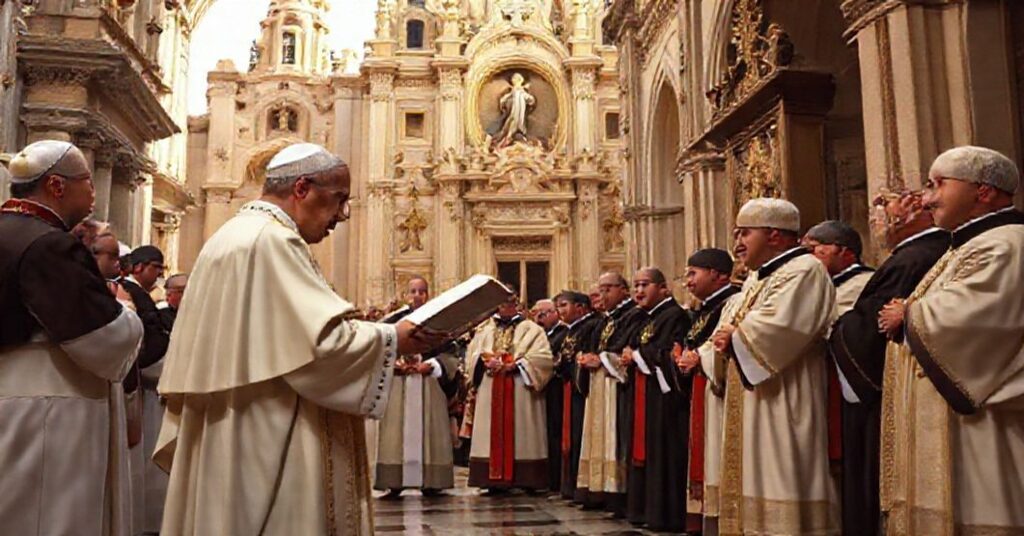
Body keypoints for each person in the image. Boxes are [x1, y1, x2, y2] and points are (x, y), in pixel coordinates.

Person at [154, 143, 446, 535]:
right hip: (271, 432)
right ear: (302, 188)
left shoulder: (232, 236)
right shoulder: (274, 242)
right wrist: (395, 337)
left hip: (232, 427)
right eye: (339, 199)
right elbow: (318, 348)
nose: (342, 215)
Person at [877, 146, 1024, 535]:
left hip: (989, 420)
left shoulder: (1005, 242)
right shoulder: (966, 245)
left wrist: (909, 314)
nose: (927, 198)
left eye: (938, 184)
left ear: (984, 191)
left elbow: (981, 318)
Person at [0, 140, 144, 535]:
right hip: (47, 411)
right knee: (48, 517)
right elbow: (103, 341)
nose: (93, 191)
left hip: (13, 400)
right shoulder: (48, 244)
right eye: (87, 182)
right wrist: (129, 313)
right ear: (57, 187)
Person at [710, 198, 838, 535]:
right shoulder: (756, 278)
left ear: (775, 236)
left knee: (783, 467)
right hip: (752, 391)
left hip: (788, 392)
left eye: (745, 233)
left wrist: (736, 336)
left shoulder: (805, 270)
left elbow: (783, 327)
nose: (737, 243)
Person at [827, 190, 949, 536]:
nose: (877, 211)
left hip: (903, 381)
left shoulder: (917, 257)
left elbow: (874, 322)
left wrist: (837, 330)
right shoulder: (912, 254)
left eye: (890, 202)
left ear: (920, 211)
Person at [673, 249, 741, 535]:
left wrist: (698, 357)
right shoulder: (704, 309)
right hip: (703, 390)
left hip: (723, 390)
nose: (687, 282)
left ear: (716, 273)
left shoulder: (732, 301)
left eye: (692, 273)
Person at [374, 276, 458, 499]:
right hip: (399, 384)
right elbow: (379, 347)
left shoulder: (439, 320)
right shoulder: (394, 322)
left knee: (430, 427)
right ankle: (394, 481)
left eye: (421, 291)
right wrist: (395, 364)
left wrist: (430, 365)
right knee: (396, 430)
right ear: (406, 294)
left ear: (428, 294)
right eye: (413, 291)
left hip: (427, 383)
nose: (417, 295)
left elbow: (451, 353)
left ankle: (432, 480)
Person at [621, 267, 690, 531]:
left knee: (663, 452)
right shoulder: (642, 317)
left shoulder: (674, 315)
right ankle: (644, 511)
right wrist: (630, 356)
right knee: (643, 451)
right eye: (635, 285)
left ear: (663, 288)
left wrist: (637, 356)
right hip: (642, 392)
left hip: (664, 399)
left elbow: (670, 353)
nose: (639, 291)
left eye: (645, 285)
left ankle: (666, 515)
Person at [466, 292, 554, 492]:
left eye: (510, 302)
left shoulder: (532, 329)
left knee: (522, 431)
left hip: (521, 388)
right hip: (490, 386)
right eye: (501, 302)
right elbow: (471, 357)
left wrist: (516, 364)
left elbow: (543, 359)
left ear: (518, 303)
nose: (506, 306)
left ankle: (526, 478)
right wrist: (484, 361)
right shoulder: (484, 330)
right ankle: (492, 479)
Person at [575, 272, 644, 511]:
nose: (602, 295)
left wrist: (603, 360)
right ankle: (599, 488)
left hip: (617, 385)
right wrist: (587, 358)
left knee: (615, 436)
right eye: (600, 290)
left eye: (608, 289)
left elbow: (629, 348)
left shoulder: (633, 315)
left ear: (623, 290)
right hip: (599, 385)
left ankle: (617, 492)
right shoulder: (605, 320)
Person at [552, 290, 603, 500]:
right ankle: (570, 485)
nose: (560, 311)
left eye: (564, 305)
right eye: (558, 307)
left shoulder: (591, 326)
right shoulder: (571, 330)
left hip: (582, 389)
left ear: (581, 307)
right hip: (568, 388)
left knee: (580, 435)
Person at [531, 298, 568, 492]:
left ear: (555, 313)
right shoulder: (539, 335)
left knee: (555, 432)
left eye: (543, 314)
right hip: (540, 389)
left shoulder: (562, 334)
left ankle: (555, 480)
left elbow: (555, 358)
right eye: (535, 314)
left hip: (557, 390)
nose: (538, 318)